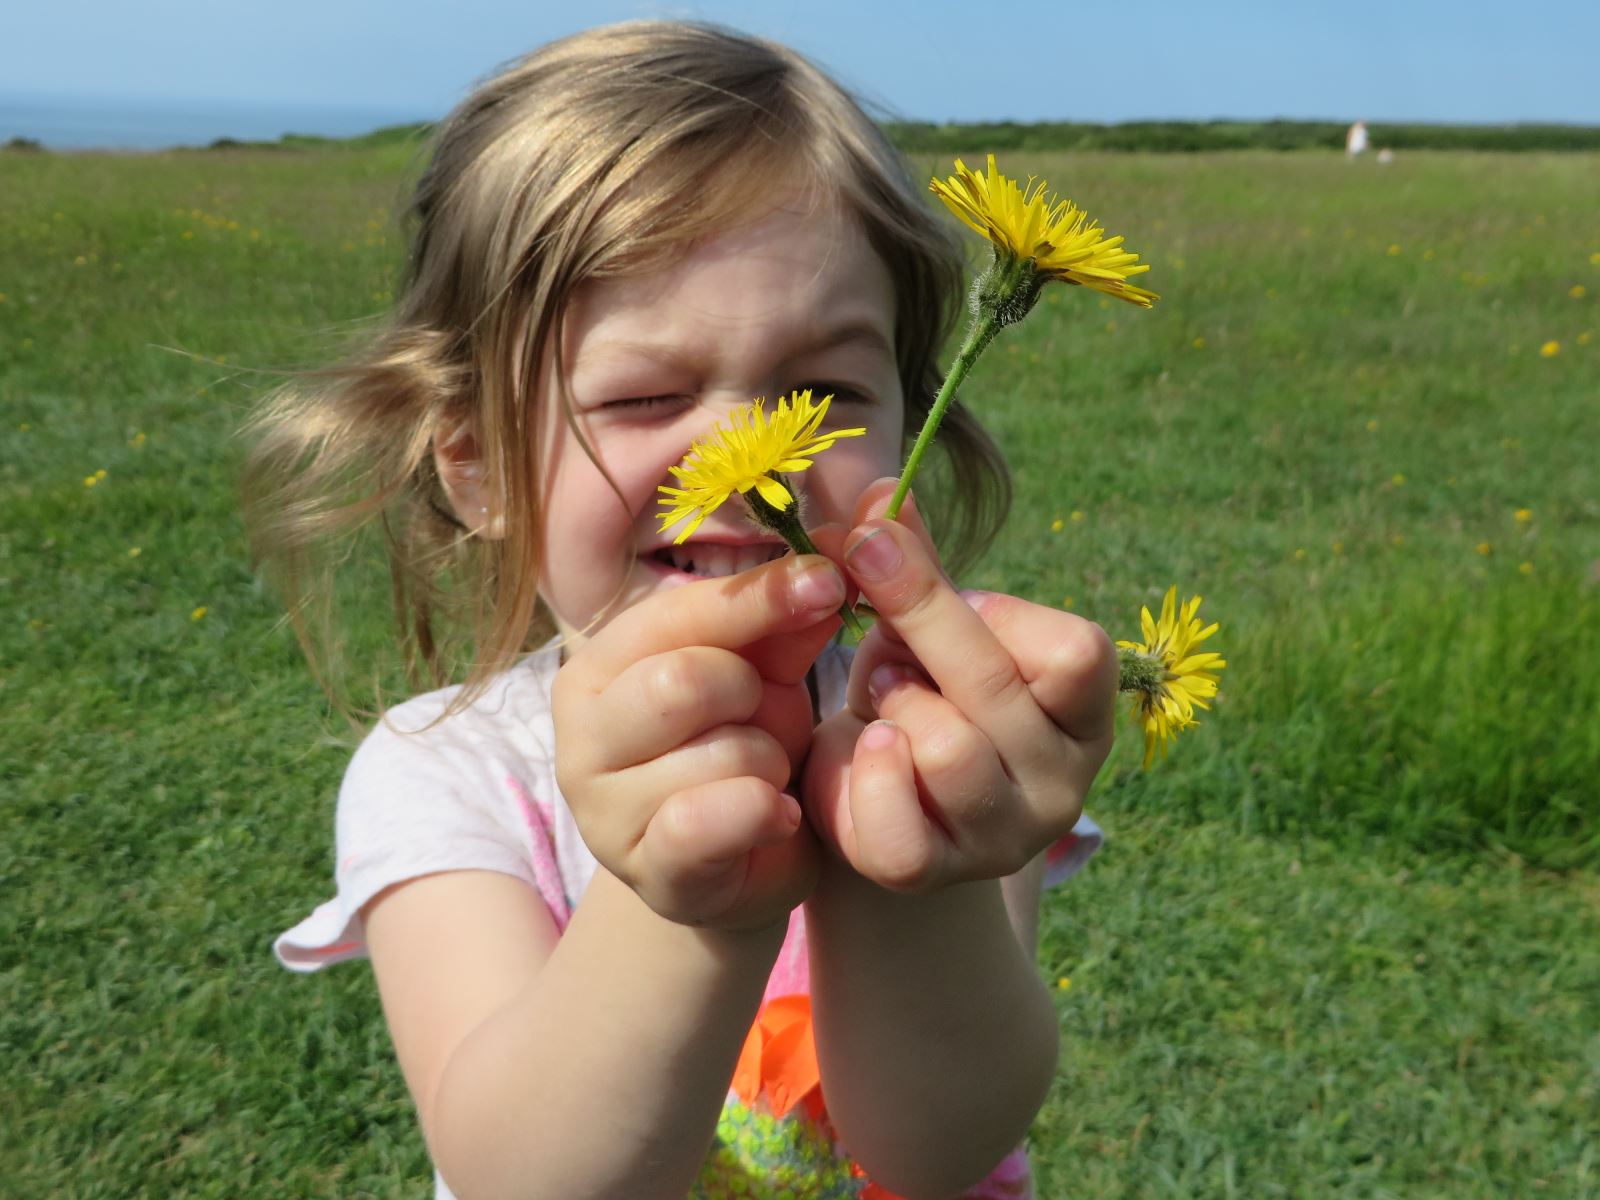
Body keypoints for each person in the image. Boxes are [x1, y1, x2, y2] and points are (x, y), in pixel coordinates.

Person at [248, 20, 1118, 1200]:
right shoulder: (446, 777)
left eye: (820, 393)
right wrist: (684, 902)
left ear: (909, 422)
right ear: (476, 467)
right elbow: (520, 1175)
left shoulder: (922, 720)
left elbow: (941, 1147)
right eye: (646, 392)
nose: (745, 446)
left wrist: (917, 867)